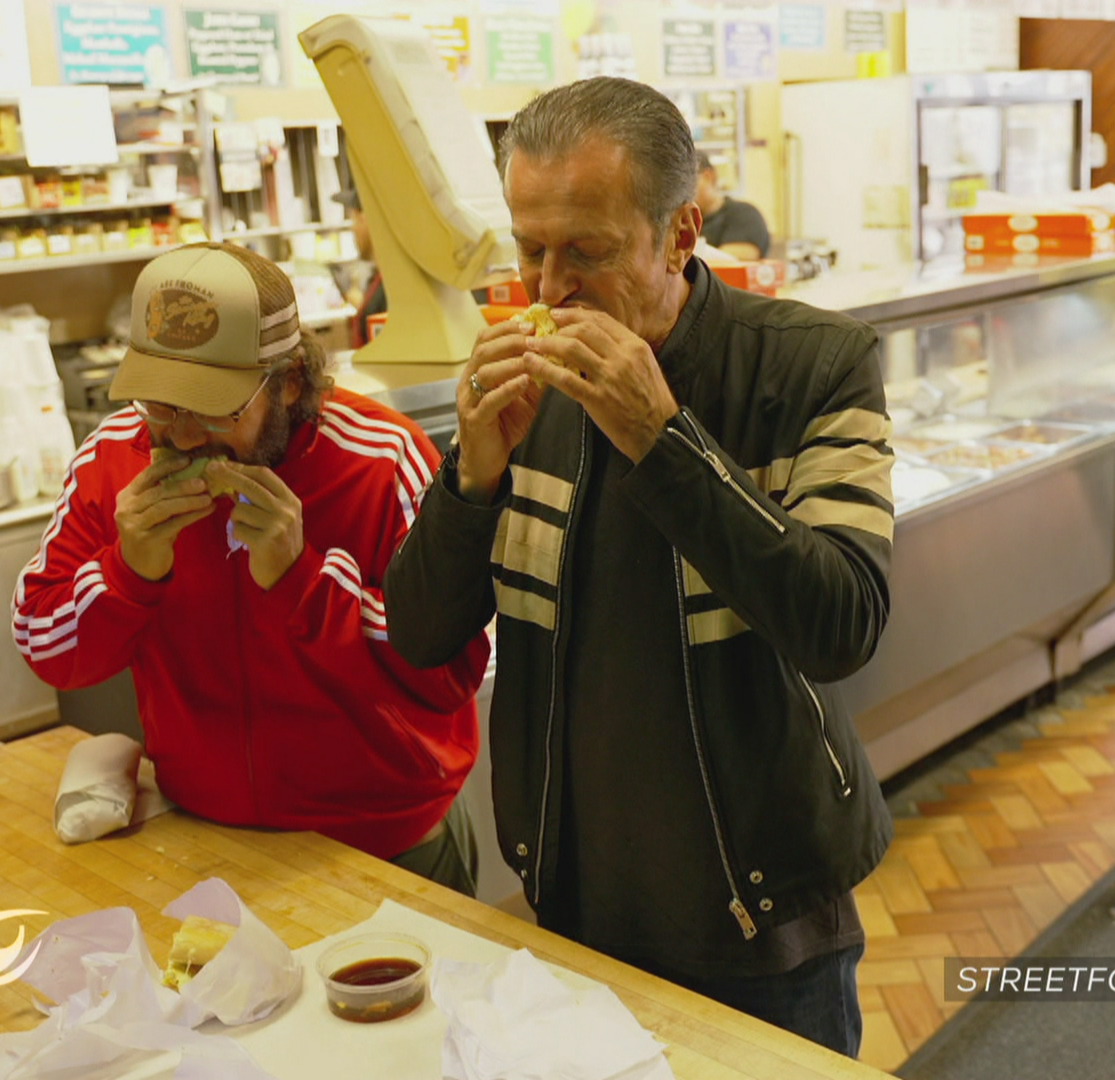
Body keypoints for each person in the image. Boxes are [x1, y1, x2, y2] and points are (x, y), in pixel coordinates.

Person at [383, 77, 893, 1057]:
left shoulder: (813, 364)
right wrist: (472, 477)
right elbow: (417, 636)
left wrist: (662, 439)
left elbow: (844, 626)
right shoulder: (526, 388)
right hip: (575, 913)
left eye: (588, 252)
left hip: (765, 923)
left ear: (680, 232)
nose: (547, 289)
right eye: (530, 249)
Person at [13, 242, 489, 894]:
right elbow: (42, 642)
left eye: (211, 407)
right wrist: (127, 573)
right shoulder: (112, 458)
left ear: (289, 381)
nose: (179, 436)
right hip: (203, 841)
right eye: (159, 401)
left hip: (389, 847)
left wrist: (306, 583)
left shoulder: (381, 460)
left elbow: (450, 672)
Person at [334, 187, 389, 347]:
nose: (352, 229)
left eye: (353, 219)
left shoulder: (390, 288)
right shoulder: (379, 279)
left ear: (366, 219)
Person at [694, 150, 771, 261]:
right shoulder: (682, 221)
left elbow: (734, 259)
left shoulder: (745, 215)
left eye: (686, 182)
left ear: (708, 177)